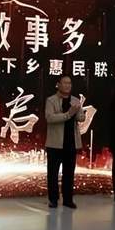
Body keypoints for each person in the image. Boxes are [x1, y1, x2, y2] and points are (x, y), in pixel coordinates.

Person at [44, 75, 85, 209]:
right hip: (55, 144)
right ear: (58, 85)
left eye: (69, 83)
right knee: (53, 174)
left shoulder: (75, 100)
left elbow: (81, 118)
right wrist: (68, 114)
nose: (67, 85)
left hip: (71, 142)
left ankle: (68, 199)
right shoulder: (51, 100)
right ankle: (53, 199)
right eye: (65, 83)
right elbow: (49, 118)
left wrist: (78, 112)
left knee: (69, 173)